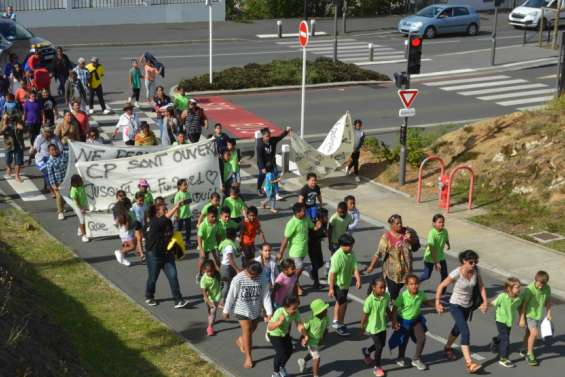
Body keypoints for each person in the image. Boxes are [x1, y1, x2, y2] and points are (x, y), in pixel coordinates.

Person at [435, 250, 488, 374]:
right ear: (464, 261)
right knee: (465, 331)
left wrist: (485, 302)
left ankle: (447, 347)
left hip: (467, 306)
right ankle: (469, 363)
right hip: (455, 305)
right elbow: (441, 286)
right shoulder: (456, 273)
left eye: (476, 262)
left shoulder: (475, 271)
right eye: (471, 262)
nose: (474, 264)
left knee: (458, 328)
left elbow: (481, 287)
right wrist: (437, 302)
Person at [223, 261, 273, 369]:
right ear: (246, 269)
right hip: (241, 310)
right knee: (247, 332)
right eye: (251, 275)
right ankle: (248, 357)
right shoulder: (238, 279)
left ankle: (241, 340)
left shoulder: (262, 278)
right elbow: (231, 295)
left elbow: (266, 296)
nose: (253, 277)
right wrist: (226, 310)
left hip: (255, 309)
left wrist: (269, 312)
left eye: (255, 276)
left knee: (253, 328)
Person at [144, 201, 190, 309]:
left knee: (173, 276)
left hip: (166, 255)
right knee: (152, 278)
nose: (167, 211)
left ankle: (178, 300)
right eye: (164, 210)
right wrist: (176, 206)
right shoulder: (154, 222)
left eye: (166, 209)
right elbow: (164, 220)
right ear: (157, 213)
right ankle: (149, 296)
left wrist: (177, 247)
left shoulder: (167, 222)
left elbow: (171, 234)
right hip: (154, 256)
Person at [366, 214, 413, 300]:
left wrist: (409, 239)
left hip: (405, 271)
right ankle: (385, 305)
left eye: (400, 223)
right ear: (392, 225)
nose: (400, 225)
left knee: (397, 290)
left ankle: (389, 301)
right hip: (391, 273)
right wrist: (371, 266)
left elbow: (414, 245)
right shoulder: (386, 237)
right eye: (397, 223)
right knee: (393, 293)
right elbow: (378, 253)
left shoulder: (406, 233)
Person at [390, 275, 431, 371]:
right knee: (404, 340)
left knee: (422, 338)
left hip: (416, 320)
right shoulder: (403, 296)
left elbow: (426, 302)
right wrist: (394, 321)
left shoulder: (421, 294)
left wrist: (436, 305)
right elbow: (395, 308)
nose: (414, 286)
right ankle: (400, 357)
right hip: (404, 321)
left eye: (416, 284)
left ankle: (416, 359)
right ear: (407, 285)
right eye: (411, 284)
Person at [279, 202, 318, 296]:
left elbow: (313, 227)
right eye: (303, 211)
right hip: (295, 251)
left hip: (304, 250)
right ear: (297, 213)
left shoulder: (306, 219)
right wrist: (280, 252)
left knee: (294, 271)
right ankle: (295, 285)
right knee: (299, 268)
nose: (305, 212)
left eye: (304, 210)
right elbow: (285, 239)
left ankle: (294, 284)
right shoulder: (291, 223)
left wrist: (318, 225)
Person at [328, 234, 361, 336]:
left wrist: (358, 279)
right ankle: (340, 325)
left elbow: (354, 267)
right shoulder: (337, 257)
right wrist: (331, 288)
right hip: (338, 284)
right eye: (347, 246)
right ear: (341, 245)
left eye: (351, 245)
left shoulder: (351, 253)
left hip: (346, 283)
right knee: (343, 304)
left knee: (339, 302)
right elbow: (333, 274)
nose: (350, 248)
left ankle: (335, 320)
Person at [360, 278, 394, 377]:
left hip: (382, 326)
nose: (383, 290)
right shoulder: (369, 301)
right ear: (374, 288)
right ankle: (377, 367)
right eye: (381, 288)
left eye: (384, 287)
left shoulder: (386, 296)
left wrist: (393, 320)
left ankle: (367, 352)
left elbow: (387, 309)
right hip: (372, 328)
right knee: (379, 347)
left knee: (382, 344)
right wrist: (362, 327)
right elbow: (365, 315)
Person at [519, 270, 552, 367]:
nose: (541, 286)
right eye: (540, 283)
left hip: (538, 315)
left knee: (528, 333)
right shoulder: (530, 289)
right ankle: (530, 354)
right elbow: (524, 304)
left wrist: (549, 313)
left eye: (543, 284)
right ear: (535, 280)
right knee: (534, 333)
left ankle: (524, 348)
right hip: (529, 314)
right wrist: (522, 318)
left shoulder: (547, 288)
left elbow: (548, 301)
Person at [267, 296, 306, 377]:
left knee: (289, 350)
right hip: (274, 334)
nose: (295, 310)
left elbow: (299, 325)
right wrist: (279, 322)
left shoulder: (296, 312)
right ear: (285, 308)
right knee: (280, 353)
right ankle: (275, 373)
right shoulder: (279, 312)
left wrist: (305, 335)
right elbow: (270, 327)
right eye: (293, 308)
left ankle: (281, 367)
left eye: (296, 307)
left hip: (284, 334)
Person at [489, 277, 522, 368]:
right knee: (506, 339)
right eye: (517, 287)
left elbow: (520, 308)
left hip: (509, 321)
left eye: (519, 287)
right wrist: (485, 305)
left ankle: (495, 341)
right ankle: (504, 358)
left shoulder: (518, 299)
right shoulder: (502, 296)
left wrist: (521, 318)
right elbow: (493, 303)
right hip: (500, 320)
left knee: (503, 336)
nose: (519, 289)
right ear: (509, 288)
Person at [297, 298, 329, 377]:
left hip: (318, 341)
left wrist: (323, 339)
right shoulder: (310, 320)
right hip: (310, 341)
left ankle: (303, 361)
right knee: (317, 357)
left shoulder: (326, 318)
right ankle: (315, 375)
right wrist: (302, 339)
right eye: (324, 310)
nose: (326, 311)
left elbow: (326, 329)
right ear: (318, 312)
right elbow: (303, 329)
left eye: (325, 309)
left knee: (313, 354)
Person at [256, 126, 290, 197]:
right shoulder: (260, 145)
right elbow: (259, 157)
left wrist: (286, 131)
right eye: (267, 136)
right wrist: (262, 167)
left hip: (272, 163)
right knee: (262, 176)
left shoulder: (272, 140)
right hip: (263, 164)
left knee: (275, 176)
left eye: (269, 135)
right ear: (263, 136)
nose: (268, 137)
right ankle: (259, 188)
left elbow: (280, 137)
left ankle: (277, 193)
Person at [420, 214, 450, 288]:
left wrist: (448, 244)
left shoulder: (445, 231)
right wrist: (436, 262)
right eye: (439, 222)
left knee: (445, 276)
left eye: (443, 222)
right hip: (430, 257)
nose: (442, 224)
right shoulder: (432, 233)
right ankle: (415, 282)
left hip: (440, 256)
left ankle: (441, 292)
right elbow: (432, 249)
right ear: (434, 224)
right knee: (426, 275)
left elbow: (446, 239)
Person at [32, 126, 62, 191]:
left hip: (52, 158)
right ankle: (52, 190)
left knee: (51, 173)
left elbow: (60, 148)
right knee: (47, 172)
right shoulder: (39, 138)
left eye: (50, 132)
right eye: (46, 132)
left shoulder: (55, 137)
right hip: (41, 159)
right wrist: (30, 158)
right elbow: (35, 149)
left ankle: (46, 186)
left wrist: (56, 154)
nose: (48, 133)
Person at [113, 199, 143, 267]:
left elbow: (116, 224)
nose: (131, 205)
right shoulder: (127, 214)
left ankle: (122, 258)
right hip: (127, 233)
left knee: (128, 245)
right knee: (132, 246)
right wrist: (134, 224)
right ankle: (119, 252)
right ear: (127, 205)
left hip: (123, 233)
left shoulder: (121, 213)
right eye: (130, 204)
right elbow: (127, 227)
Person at [197, 206, 222, 279]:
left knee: (217, 260)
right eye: (212, 217)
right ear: (207, 215)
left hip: (214, 246)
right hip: (204, 246)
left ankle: (216, 275)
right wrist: (201, 250)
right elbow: (199, 237)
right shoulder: (203, 225)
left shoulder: (217, 223)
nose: (214, 218)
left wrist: (219, 245)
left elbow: (218, 235)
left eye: (215, 216)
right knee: (202, 261)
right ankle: (200, 274)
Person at [46, 143, 68, 220]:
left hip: (66, 180)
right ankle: (60, 212)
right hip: (58, 182)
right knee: (59, 196)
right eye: (52, 150)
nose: (54, 151)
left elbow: (71, 152)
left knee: (66, 196)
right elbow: (50, 175)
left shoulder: (63, 156)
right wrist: (53, 185)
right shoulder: (49, 162)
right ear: (49, 152)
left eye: (55, 149)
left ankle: (62, 206)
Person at [200, 260, 222, 336]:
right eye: (208, 271)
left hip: (216, 296)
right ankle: (211, 319)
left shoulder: (217, 274)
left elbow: (220, 281)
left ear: (214, 269)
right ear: (204, 270)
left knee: (213, 312)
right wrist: (208, 301)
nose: (210, 273)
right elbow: (204, 292)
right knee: (210, 311)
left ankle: (210, 328)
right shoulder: (204, 279)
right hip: (208, 297)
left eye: (211, 271)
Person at [219, 227, 241, 304]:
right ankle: (222, 301)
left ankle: (232, 297)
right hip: (227, 268)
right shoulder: (229, 246)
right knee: (227, 285)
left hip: (226, 266)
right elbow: (231, 260)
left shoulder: (225, 242)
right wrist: (237, 269)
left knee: (234, 281)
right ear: (234, 236)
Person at [308, 207, 328, 290]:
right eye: (325, 216)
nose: (326, 218)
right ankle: (316, 283)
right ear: (319, 217)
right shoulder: (313, 223)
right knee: (315, 264)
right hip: (311, 245)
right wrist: (318, 229)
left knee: (320, 263)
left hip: (318, 245)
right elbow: (311, 235)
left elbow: (324, 233)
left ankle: (311, 271)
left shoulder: (324, 223)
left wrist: (325, 233)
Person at [1, 114, 24, 182]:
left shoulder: (19, 121)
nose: (11, 117)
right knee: (8, 159)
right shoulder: (3, 122)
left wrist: (22, 128)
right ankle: (9, 167)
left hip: (18, 144)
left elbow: (26, 129)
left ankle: (17, 175)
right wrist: (4, 126)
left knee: (18, 160)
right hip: (9, 144)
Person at [70, 174, 90, 243]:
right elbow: (76, 201)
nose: (81, 181)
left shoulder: (81, 185)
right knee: (82, 219)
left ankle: (80, 230)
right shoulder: (73, 190)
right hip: (78, 206)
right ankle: (84, 236)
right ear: (75, 182)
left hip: (84, 204)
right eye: (80, 180)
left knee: (85, 218)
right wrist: (81, 208)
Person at [173, 178, 193, 248]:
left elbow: (190, 200)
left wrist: (184, 201)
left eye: (186, 185)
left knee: (189, 228)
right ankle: (176, 242)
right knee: (178, 229)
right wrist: (176, 215)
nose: (186, 186)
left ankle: (187, 241)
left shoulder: (187, 193)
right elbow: (176, 206)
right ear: (179, 186)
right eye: (184, 185)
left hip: (188, 215)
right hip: (180, 216)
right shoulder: (178, 195)